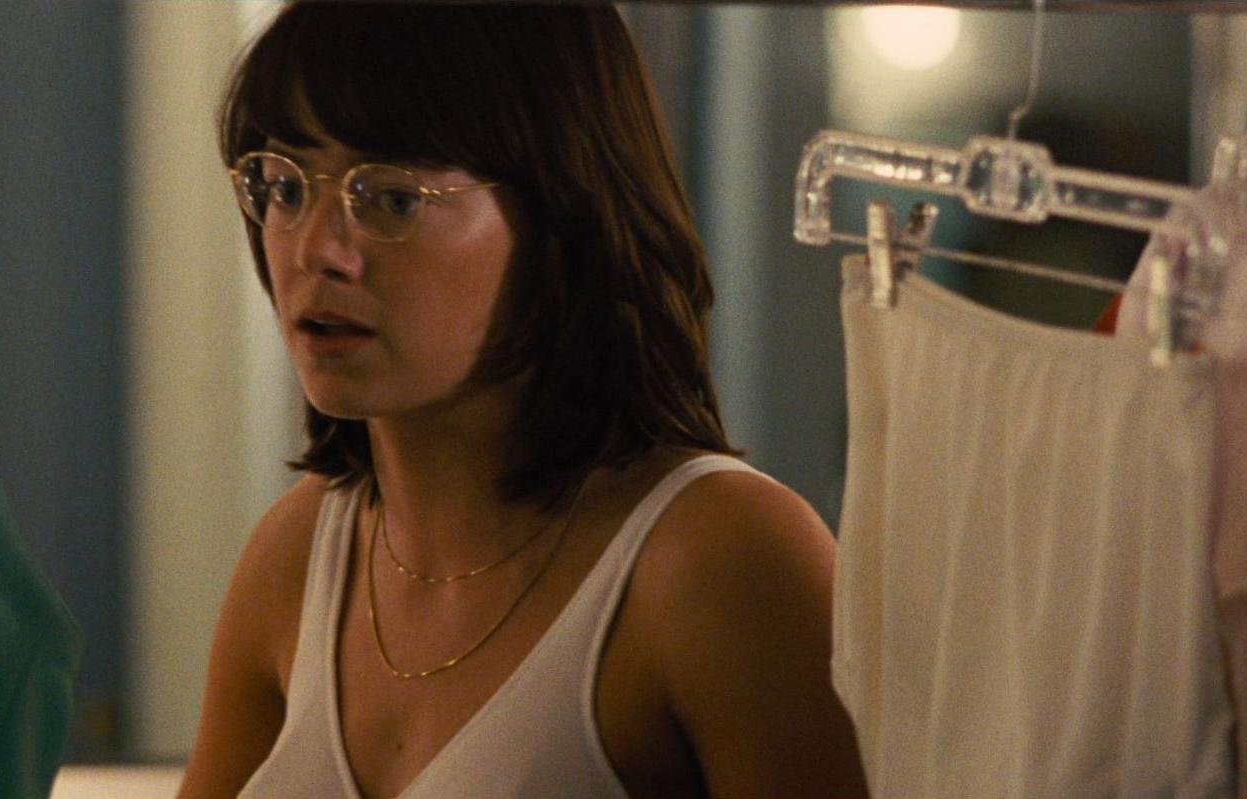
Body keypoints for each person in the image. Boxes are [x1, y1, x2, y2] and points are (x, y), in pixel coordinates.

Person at [176, 5, 870, 798]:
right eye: (284, 187)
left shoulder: (720, 556)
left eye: (392, 198)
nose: (316, 251)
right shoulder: (301, 551)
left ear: (559, 218)